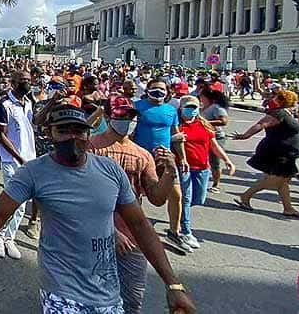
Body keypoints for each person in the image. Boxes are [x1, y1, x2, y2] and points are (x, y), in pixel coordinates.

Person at [0, 104, 197, 314]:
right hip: (61, 293)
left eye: (79, 130)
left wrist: (173, 284)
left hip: (107, 294)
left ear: (88, 134)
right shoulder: (34, 172)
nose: (72, 137)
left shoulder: (111, 171)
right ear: (50, 134)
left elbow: (140, 225)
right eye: (63, 131)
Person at [90, 95, 179, 314]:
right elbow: (83, 197)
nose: (127, 120)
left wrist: (170, 172)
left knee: (131, 299)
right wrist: (110, 229)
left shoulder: (142, 155)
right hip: (92, 233)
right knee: (91, 296)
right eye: (121, 115)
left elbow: (157, 198)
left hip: (132, 235)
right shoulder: (91, 148)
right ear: (109, 116)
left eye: (131, 116)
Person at [132, 79, 187, 250]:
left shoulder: (171, 110)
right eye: (154, 88)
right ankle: (135, 231)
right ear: (147, 89)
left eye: (162, 89)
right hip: (140, 158)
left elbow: (176, 136)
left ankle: (174, 231)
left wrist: (183, 158)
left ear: (167, 91)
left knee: (176, 195)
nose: (158, 92)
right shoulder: (137, 107)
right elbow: (129, 131)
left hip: (165, 159)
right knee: (135, 196)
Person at [232, 89, 299, 219]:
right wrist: (246, 135)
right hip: (278, 152)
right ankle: (245, 196)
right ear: (291, 101)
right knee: (275, 179)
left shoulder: (286, 113)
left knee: (284, 181)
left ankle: (288, 208)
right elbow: (261, 124)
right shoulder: (279, 113)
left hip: (285, 153)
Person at [176, 96, 235, 251]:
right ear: (181, 108)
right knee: (186, 199)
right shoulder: (177, 125)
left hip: (203, 168)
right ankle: (186, 230)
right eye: (188, 107)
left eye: (194, 107)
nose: (191, 110)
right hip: (184, 168)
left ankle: (180, 214)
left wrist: (227, 160)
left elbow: (214, 146)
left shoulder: (204, 125)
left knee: (198, 198)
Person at [0, 69, 36, 259]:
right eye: (23, 80)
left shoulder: (29, 103)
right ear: (14, 82)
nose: (27, 83)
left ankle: (10, 237)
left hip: (28, 157)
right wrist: (18, 157)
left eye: (29, 80)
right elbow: (1, 135)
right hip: (11, 160)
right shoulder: (3, 104)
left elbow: (33, 125)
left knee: (23, 204)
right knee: (13, 202)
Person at [199, 88, 230, 194]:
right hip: (203, 137)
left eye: (201, 95)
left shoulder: (216, 107)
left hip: (216, 137)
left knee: (215, 162)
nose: (200, 97)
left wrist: (205, 122)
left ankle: (216, 184)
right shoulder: (203, 108)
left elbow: (224, 121)